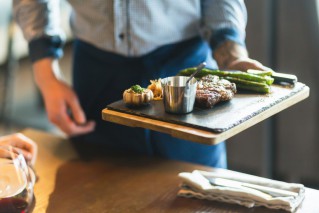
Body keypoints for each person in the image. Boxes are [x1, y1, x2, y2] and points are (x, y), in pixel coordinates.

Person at [13, 1, 269, 168]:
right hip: (97, 72)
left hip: (186, 73)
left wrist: (231, 54)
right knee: (98, 192)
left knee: (198, 194)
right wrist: (46, 75)